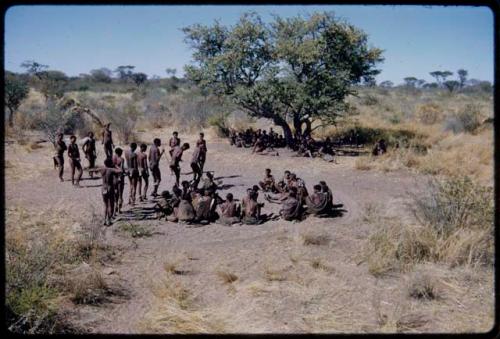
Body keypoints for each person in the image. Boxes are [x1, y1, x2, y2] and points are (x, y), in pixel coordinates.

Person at [100, 157, 123, 226]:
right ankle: (109, 220)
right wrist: (116, 165)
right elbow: (120, 170)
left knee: (105, 205)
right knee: (111, 204)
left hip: (103, 188)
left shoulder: (102, 169)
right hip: (109, 188)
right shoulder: (111, 170)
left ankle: (104, 219)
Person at [112, 147, 126, 214]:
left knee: (115, 193)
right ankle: (119, 209)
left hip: (114, 177)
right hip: (120, 177)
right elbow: (122, 168)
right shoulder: (122, 159)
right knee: (120, 194)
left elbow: (112, 166)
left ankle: (114, 210)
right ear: (120, 153)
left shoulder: (113, 158)